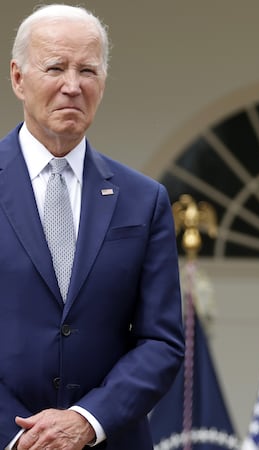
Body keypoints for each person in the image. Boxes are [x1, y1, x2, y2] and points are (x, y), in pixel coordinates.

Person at [0, 4, 184, 449]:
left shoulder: (144, 199)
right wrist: (19, 437)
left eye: (88, 70)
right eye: (56, 67)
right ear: (18, 78)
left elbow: (161, 341)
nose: (72, 86)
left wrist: (87, 420)